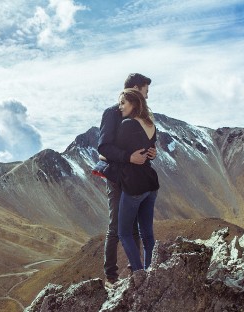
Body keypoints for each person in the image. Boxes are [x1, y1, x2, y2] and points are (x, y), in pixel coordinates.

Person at [94, 73, 156, 286]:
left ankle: (135, 269)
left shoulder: (141, 118)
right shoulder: (113, 113)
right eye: (145, 92)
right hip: (116, 176)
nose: (147, 97)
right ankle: (111, 275)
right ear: (136, 90)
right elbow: (103, 148)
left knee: (135, 226)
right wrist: (128, 157)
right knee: (116, 227)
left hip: (134, 177)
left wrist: (151, 152)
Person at [116, 88, 159, 272]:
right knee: (147, 234)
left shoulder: (127, 125)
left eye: (122, 103)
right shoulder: (151, 125)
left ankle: (139, 273)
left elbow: (111, 153)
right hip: (151, 184)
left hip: (134, 185)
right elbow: (149, 151)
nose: (120, 107)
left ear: (133, 104)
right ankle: (150, 272)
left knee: (124, 232)